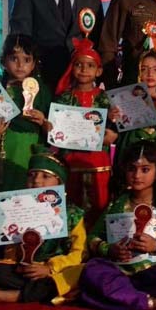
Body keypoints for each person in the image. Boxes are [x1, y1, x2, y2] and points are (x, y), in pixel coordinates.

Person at [79, 141, 156, 310]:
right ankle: (150, 303)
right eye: (131, 169)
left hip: (154, 269)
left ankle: (128, 299)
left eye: (145, 169)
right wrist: (109, 249)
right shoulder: (117, 204)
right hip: (120, 270)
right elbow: (93, 237)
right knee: (93, 271)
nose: (137, 175)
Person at [0, 34, 52, 262]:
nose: (20, 65)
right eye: (14, 58)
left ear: (34, 63)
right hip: (1, 162)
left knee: (29, 207)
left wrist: (44, 122)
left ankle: (28, 261)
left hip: (29, 162)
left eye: (26, 59)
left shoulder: (43, 92)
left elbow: (55, 132)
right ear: (3, 61)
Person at [0, 148, 86, 306]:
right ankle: (48, 292)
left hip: (57, 270)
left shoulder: (72, 214)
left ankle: (18, 295)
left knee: (81, 271)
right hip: (28, 272)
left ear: (60, 182)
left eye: (45, 176)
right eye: (32, 175)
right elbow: (10, 250)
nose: (36, 181)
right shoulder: (17, 209)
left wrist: (49, 268)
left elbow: (78, 253)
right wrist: (20, 265)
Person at [53, 38, 119, 227]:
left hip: (99, 162)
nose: (84, 69)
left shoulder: (105, 98)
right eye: (79, 65)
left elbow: (113, 129)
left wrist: (112, 126)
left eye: (90, 65)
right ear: (72, 68)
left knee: (100, 204)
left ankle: (97, 246)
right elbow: (57, 129)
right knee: (72, 206)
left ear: (99, 71)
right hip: (71, 163)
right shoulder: (64, 98)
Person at [113, 50, 156, 165]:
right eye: (144, 69)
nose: (150, 74)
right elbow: (119, 131)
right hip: (134, 155)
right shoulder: (126, 98)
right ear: (138, 74)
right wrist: (114, 117)